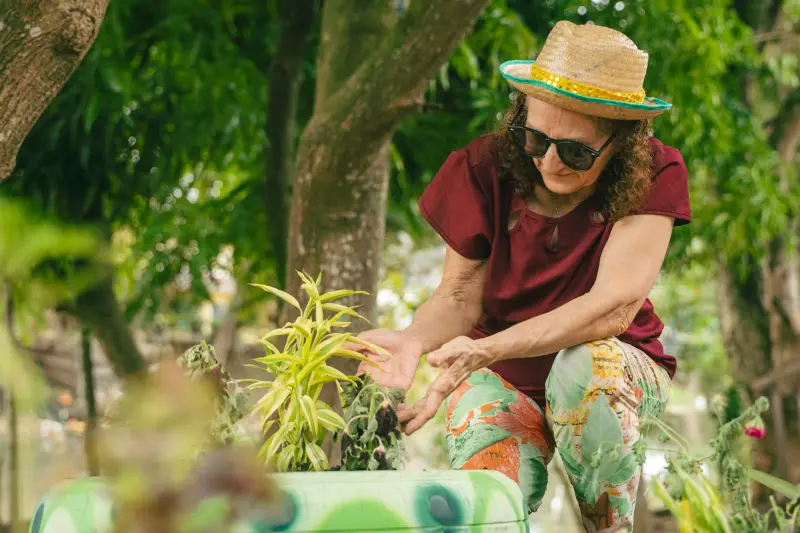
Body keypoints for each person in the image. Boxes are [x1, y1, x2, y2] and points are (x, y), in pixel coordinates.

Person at [353, 20, 690, 532]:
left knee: (585, 369)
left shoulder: (656, 171)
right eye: (535, 137)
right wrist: (413, 339)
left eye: (575, 151)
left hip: (614, 370)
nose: (549, 160)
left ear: (621, 143)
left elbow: (613, 309)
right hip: (508, 372)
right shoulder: (482, 167)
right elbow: (461, 293)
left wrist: (484, 349)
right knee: (486, 499)